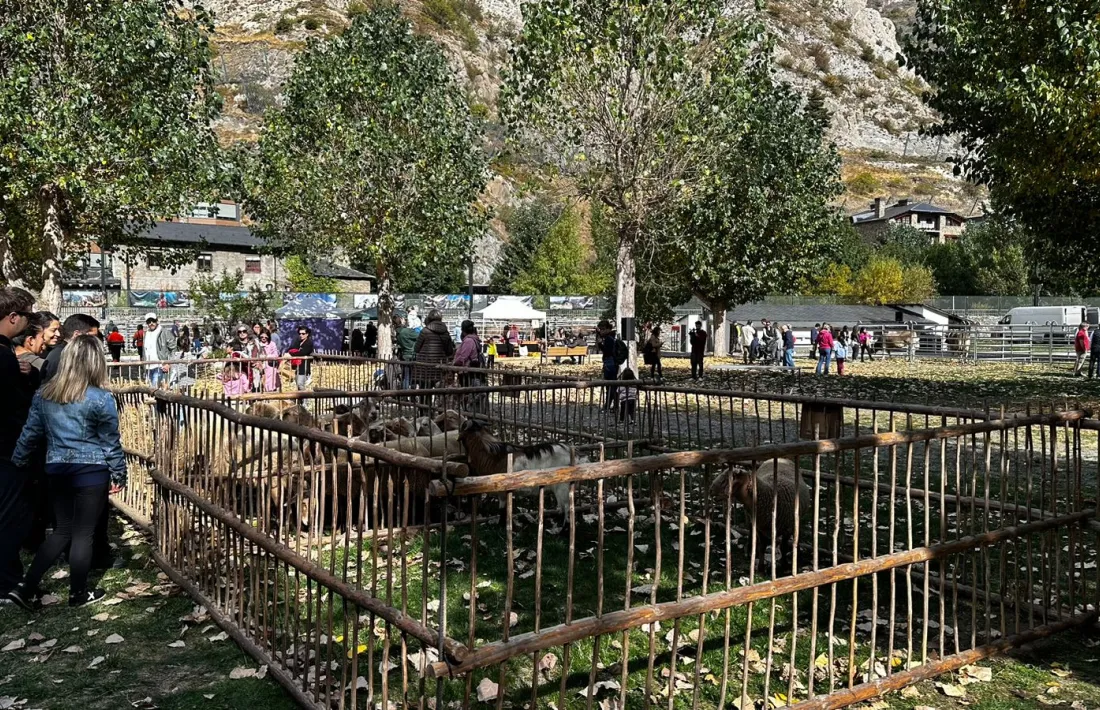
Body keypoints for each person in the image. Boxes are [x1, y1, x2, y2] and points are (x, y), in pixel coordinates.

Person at [6, 335, 126, 609]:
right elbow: (110, 441)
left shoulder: (44, 394)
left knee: (62, 531)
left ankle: (25, 587)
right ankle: (78, 594)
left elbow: (30, 433)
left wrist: (18, 461)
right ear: (96, 362)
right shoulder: (101, 398)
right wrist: (119, 473)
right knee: (84, 533)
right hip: (91, 470)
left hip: (57, 468)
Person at [0, 287, 36, 599]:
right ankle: (7, 581)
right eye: (26, 316)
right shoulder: (3, 355)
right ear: (13, 317)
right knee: (10, 513)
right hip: (5, 448)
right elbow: (12, 406)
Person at [42, 314, 101, 384]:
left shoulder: (65, 352)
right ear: (76, 334)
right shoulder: (63, 356)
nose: (95, 341)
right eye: (92, 337)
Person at [413, 309, 455, 389]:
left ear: (429, 318)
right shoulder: (446, 333)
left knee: (424, 395)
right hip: (440, 368)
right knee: (439, 395)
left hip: (424, 368)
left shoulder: (424, 331)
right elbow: (450, 351)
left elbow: (416, 349)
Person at [138, 313, 173, 388]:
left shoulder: (165, 332)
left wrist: (169, 363)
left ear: (157, 321)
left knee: (156, 389)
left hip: (160, 366)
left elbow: (173, 349)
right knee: (151, 390)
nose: (151, 323)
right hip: (148, 367)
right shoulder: (146, 334)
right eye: (148, 322)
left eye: (153, 321)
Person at [453, 319, 484, 386]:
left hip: (466, 370)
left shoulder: (468, 341)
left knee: (465, 389)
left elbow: (463, 357)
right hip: (468, 369)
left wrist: (455, 364)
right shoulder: (473, 339)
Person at [597, 320, 619, 407]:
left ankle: (609, 404)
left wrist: (600, 345)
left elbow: (607, 351)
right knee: (612, 385)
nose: (601, 331)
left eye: (602, 329)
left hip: (610, 363)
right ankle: (613, 404)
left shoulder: (608, 339)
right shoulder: (612, 337)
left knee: (610, 385)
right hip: (613, 362)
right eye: (600, 329)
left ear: (607, 329)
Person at [286, 326, 315, 390]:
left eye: (303, 334)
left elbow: (303, 352)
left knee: (300, 384)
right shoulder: (298, 342)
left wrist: (291, 353)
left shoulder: (309, 343)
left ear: (307, 334)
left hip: (304, 367)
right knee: (297, 382)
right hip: (298, 366)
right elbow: (292, 348)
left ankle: (304, 399)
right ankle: (300, 399)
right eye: (300, 333)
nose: (301, 335)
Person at [258, 328, 280, 393]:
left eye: (265, 337)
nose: (263, 338)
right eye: (262, 336)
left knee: (270, 382)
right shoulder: (257, 344)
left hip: (270, 366)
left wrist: (267, 356)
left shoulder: (272, 344)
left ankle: (270, 394)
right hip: (259, 366)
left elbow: (276, 354)